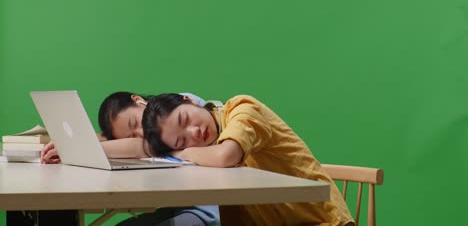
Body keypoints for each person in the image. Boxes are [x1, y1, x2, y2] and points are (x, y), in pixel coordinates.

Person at [142, 93, 354, 226]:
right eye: (182, 141)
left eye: (185, 119)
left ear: (188, 100)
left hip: (321, 221)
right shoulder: (209, 148)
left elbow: (227, 156)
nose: (194, 132)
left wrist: (184, 152)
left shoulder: (242, 109)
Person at [40, 91, 220, 226]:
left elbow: (141, 147)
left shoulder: (180, 109)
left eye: (135, 123)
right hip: (182, 205)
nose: (141, 134)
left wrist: (77, 148)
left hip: (209, 211)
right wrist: (82, 140)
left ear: (138, 100)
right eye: (132, 135)